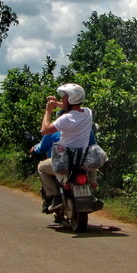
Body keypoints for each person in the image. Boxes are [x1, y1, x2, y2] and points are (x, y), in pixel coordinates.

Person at [37, 83, 94, 212]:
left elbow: (45, 130)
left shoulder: (66, 119)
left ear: (71, 99)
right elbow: (71, 107)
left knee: (41, 167)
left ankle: (55, 196)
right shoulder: (87, 113)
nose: (62, 100)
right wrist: (56, 103)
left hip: (64, 161)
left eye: (64, 97)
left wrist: (48, 111)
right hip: (82, 160)